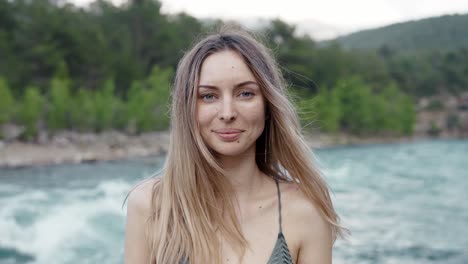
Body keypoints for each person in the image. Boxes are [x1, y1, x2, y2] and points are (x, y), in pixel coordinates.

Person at [124, 25, 346, 264]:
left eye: (245, 94)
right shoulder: (150, 206)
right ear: (187, 109)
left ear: (268, 104)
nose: (227, 113)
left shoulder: (306, 211)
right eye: (209, 96)